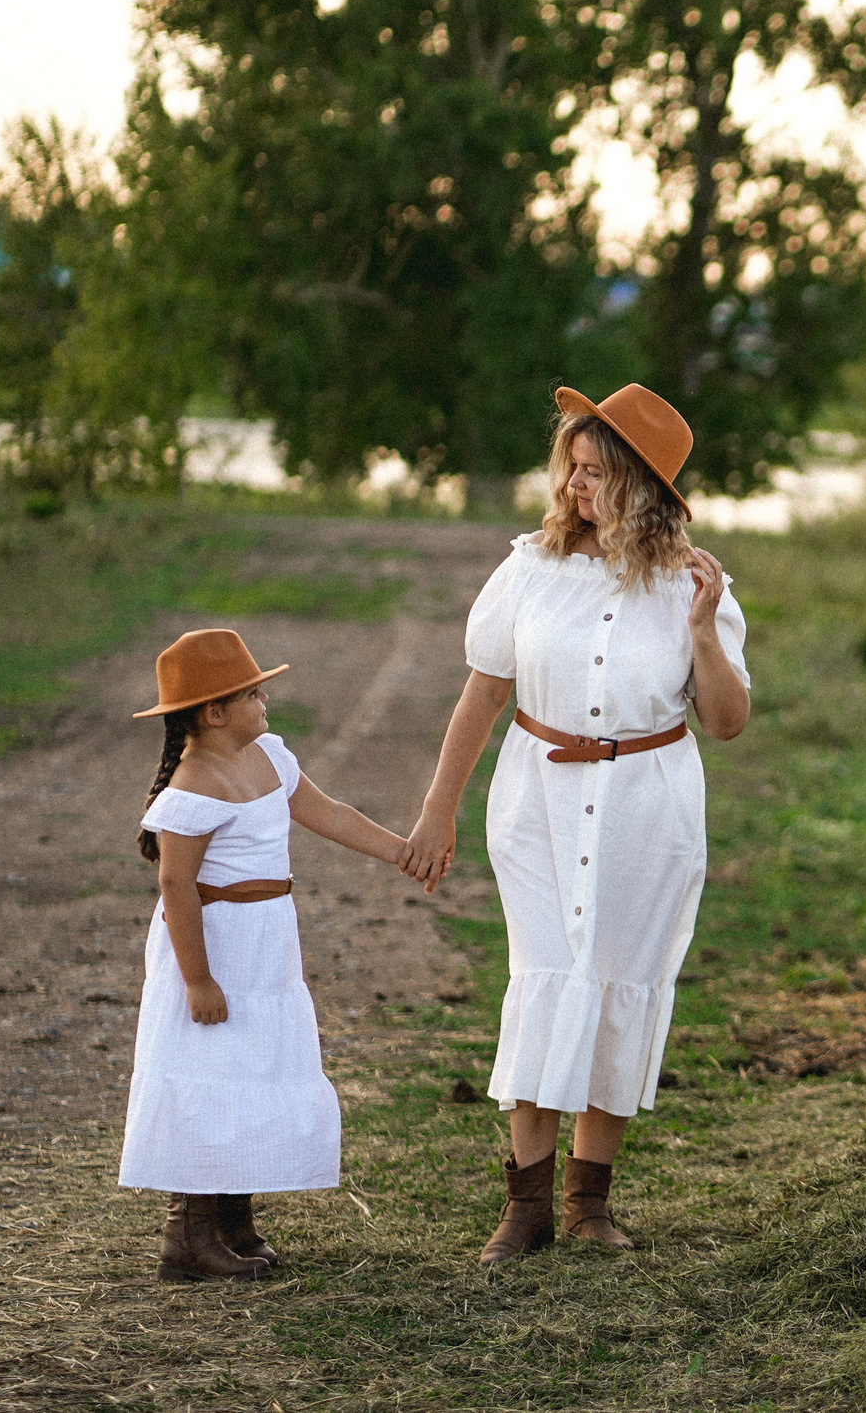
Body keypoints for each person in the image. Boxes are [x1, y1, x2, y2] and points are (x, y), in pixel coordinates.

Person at [408, 383, 749, 1264]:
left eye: (597, 472)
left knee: (621, 980)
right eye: (573, 467)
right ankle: (524, 1210)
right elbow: (482, 693)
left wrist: (706, 633)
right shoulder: (528, 566)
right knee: (550, 973)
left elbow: (727, 719)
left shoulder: (694, 585)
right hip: (538, 804)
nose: (575, 485)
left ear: (642, 487)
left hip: (650, 803)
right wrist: (438, 809)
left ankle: (589, 1203)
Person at [119, 629, 424, 1281]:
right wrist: (197, 979)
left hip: (264, 947)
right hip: (213, 945)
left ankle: (233, 1218)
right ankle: (189, 1230)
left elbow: (332, 814)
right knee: (208, 1071)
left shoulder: (270, 756)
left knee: (250, 1067)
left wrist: (399, 849)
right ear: (213, 711)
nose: (266, 703)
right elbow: (176, 885)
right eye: (254, 694)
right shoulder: (192, 787)